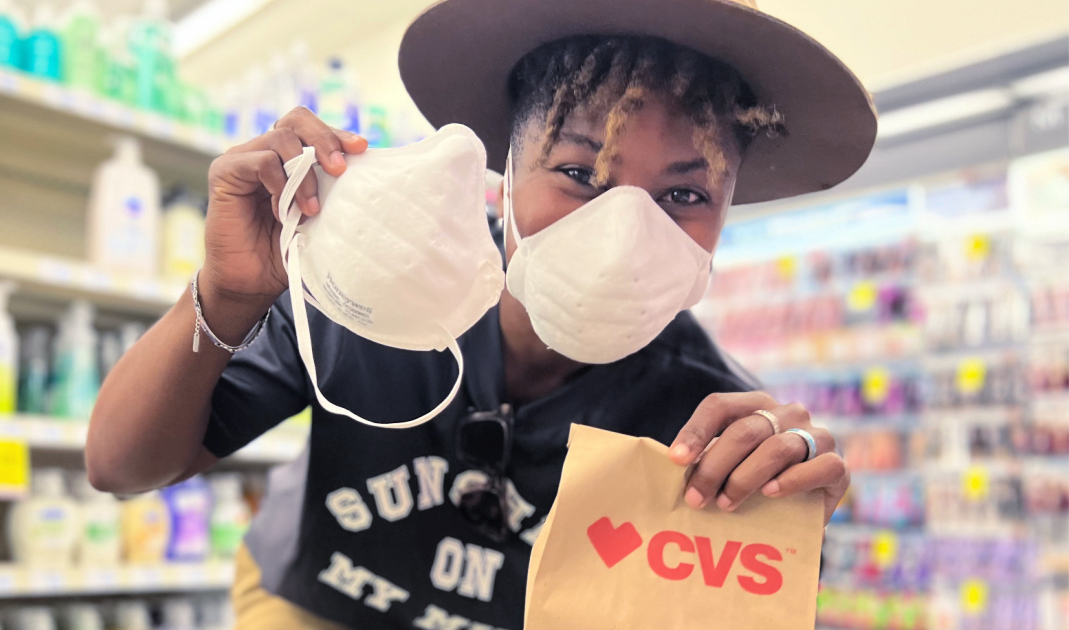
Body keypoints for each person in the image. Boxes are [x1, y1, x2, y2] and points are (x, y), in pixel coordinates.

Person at [85, 0, 876, 628]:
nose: (623, 231)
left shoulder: (695, 413)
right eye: (578, 172)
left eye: (685, 195)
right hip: (311, 603)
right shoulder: (383, 283)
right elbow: (123, 467)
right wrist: (225, 296)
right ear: (502, 176)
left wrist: (774, 522)